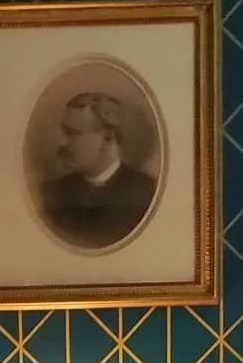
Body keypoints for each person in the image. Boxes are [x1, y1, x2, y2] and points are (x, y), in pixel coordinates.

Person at [39, 92, 157, 249]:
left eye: (71, 133)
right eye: (63, 132)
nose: (62, 142)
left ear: (107, 140)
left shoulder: (146, 193)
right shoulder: (52, 193)